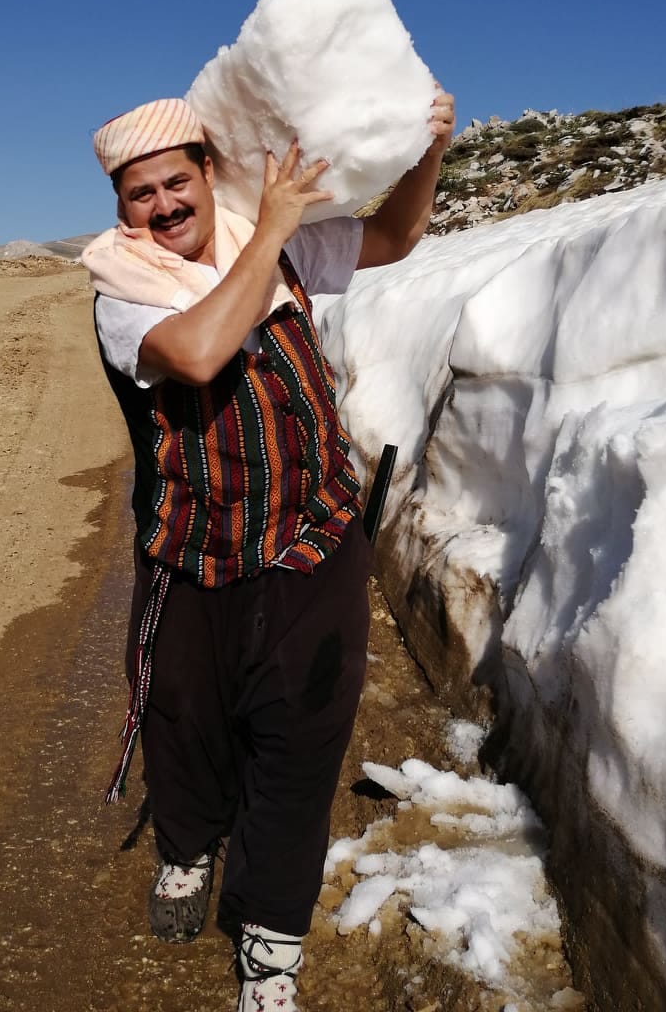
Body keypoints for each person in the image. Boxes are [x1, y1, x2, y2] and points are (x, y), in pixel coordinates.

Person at [85, 90, 454, 1012]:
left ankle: (270, 940)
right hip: (192, 554)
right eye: (141, 193)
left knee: (300, 738)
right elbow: (204, 352)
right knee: (186, 720)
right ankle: (189, 844)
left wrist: (426, 151)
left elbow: (397, 238)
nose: (164, 205)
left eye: (178, 181)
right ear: (120, 207)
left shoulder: (276, 240)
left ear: (210, 175)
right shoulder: (121, 293)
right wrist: (272, 231)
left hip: (313, 540)